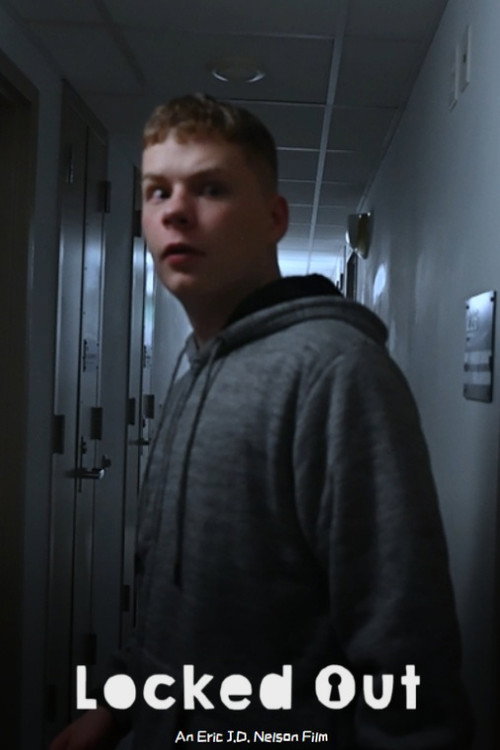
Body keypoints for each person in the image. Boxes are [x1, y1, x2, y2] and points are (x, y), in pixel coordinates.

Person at [50, 93, 473, 749]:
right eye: (158, 192)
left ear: (275, 218)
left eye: (210, 188)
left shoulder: (336, 372)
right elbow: (171, 602)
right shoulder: (196, 371)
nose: (175, 211)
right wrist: (115, 705)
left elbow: (404, 642)